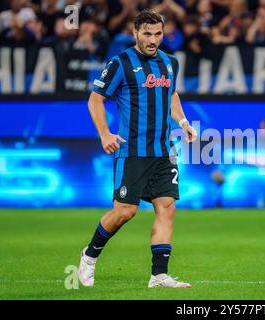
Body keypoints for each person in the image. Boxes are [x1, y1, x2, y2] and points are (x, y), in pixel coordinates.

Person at [78, 9, 197, 288]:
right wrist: (104, 133)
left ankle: (159, 275)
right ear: (135, 33)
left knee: (167, 208)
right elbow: (95, 99)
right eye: (147, 33)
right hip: (132, 150)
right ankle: (89, 256)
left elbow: (172, 95)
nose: (153, 39)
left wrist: (183, 121)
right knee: (125, 212)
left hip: (163, 151)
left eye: (157, 33)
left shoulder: (170, 63)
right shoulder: (120, 63)